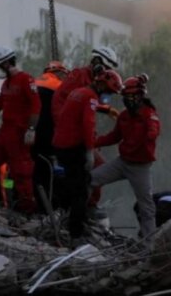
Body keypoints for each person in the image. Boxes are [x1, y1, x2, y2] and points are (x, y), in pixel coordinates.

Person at [52, 69, 123, 243]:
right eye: (107, 92)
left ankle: (65, 222)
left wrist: (106, 109)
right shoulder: (90, 96)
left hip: (60, 146)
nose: (106, 95)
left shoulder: (79, 91)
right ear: (101, 84)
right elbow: (88, 124)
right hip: (72, 148)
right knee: (81, 191)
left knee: (68, 187)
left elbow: (84, 108)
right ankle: (75, 234)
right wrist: (90, 151)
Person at [91, 74, 161, 239]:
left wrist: (151, 134)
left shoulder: (149, 115)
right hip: (122, 163)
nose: (129, 99)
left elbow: (154, 129)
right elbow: (114, 137)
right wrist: (93, 142)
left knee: (147, 208)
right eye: (126, 96)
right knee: (90, 180)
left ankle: (149, 245)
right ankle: (83, 217)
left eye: (132, 96)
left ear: (140, 96)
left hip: (140, 168)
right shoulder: (124, 116)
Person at [0, 47, 41, 213]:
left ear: (6, 63)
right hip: (5, 134)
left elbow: (36, 105)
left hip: (19, 136)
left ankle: (27, 211)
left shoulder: (26, 79)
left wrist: (31, 129)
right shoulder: (6, 84)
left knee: (21, 174)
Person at [32, 61, 69, 212]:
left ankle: (36, 206)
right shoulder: (61, 86)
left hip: (32, 135)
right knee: (56, 174)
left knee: (36, 172)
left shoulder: (34, 83)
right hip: (52, 137)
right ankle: (56, 208)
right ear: (60, 73)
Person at [52, 46, 119, 122]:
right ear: (97, 63)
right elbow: (60, 98)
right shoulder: (79, 75)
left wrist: (107, 109)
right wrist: (61, 122)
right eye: (106, 68)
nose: (106, 73)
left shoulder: (95, 82)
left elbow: (90, 103)